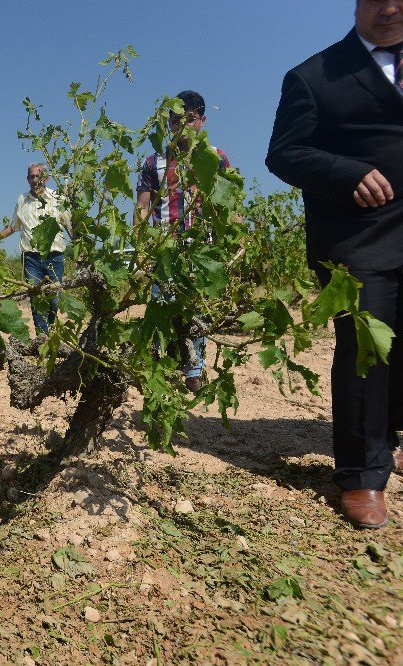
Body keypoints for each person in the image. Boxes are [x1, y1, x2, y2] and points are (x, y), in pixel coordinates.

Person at [266, 0, 403, 529]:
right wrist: (345, 173)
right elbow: (284, 153)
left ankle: (388, 431)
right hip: (358, 237)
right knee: (367, 346)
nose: (388, 9)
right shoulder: (314, 75)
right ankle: (362, 475)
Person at [134, 90, 232, 393]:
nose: (182, 126)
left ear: (202, 121)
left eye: (189, 119)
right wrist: (141, 248)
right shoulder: (154, 162)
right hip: (164, 247)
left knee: (196, 310)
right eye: (176, 121)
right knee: (161, 307)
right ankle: (160, 367)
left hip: (201, 247)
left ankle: (193, 369)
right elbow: (142, 208)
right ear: (169, 124)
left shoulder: (216, 158)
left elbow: (229, 203)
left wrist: (236, 241)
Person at [0, 163, 72, 336]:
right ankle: (42, 339)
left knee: (54, 299)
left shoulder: (58, 197)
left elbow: (69, 224)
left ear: (46, 178)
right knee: (37, 299)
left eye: (38, 176)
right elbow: (14, 226)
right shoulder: (22, 200)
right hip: (31, 259)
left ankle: (50, 331)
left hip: (54, 256)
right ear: (27, 179)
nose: (35, 179)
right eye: (32, 176)